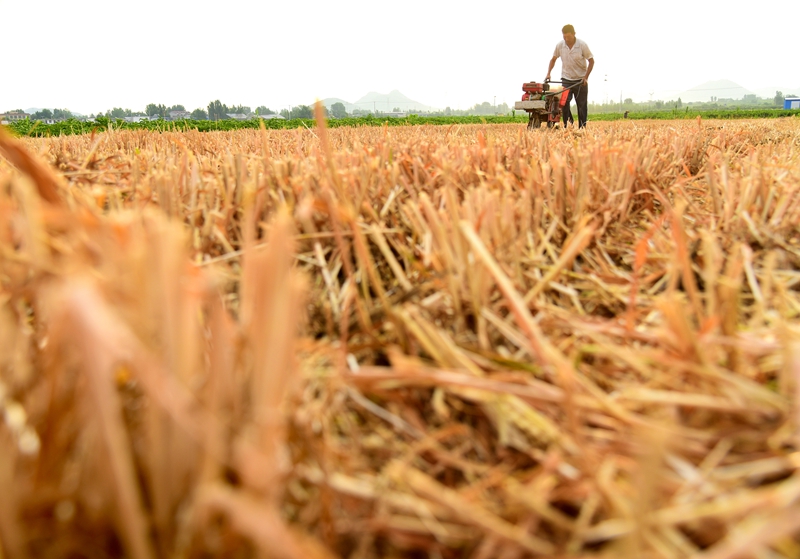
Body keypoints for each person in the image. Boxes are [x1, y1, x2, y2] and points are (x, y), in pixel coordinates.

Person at [545, 24, 594, 129]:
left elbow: (591, 61)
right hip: (566, 79)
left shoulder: (582, 45)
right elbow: (553, 59)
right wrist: (548, 73)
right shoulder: (560, 45)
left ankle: (582, 128)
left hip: (580, 80)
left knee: (581, 106)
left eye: (569, 37)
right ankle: (568, 125)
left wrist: (586, 77)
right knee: (564, 103)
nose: (566, 39)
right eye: (564, 37)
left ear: (574, 34)